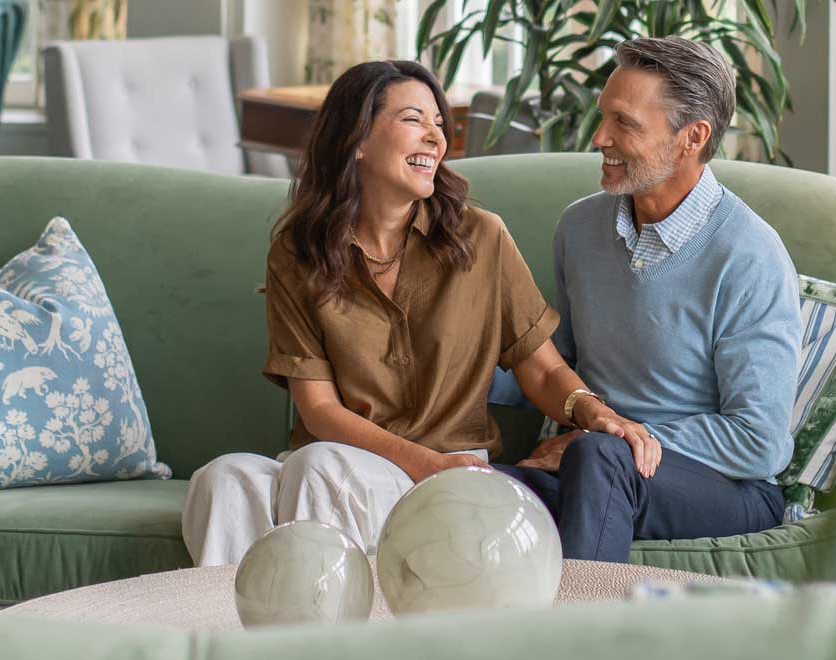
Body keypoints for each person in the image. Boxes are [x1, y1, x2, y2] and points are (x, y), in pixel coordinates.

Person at [181, 60, 657, 566]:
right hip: (354, 462)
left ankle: (334, 636)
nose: (435, 137)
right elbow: (318, 410)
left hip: (441, 469)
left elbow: (539, 367)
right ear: (356, 140)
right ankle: (239, 639)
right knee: (223, 479)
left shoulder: (481, 237)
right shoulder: (300, 252)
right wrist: (422, 462)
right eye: (413, 120)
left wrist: (594, 412)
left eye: (438, 123)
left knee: (319, 467)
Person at [493, 36, 802, 563]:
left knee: (597, 457)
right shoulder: (580, 227)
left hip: (727, 488)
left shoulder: (748, 254)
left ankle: (577, 634)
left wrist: (617, 438)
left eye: (624, 123)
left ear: (692, 137)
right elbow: (555, 363)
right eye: (603, 117)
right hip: (596, 467)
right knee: (465, 488)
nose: (599, 137)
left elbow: (759, 441)